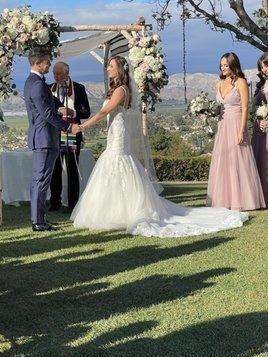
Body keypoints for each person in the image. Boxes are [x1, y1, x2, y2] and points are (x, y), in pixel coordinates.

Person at [70, 56, 249, 238]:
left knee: (118, 162)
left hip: (118, 133)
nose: (108, 68)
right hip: (113, 132)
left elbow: (104, 111)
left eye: (111, 66)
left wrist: (83, 126)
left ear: (120, 70)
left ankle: (123, 212)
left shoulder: (122, 90)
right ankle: (113, 210)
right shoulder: (115, 88)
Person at [23, 48, 78, 232]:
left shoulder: (34, 81)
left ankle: (38, 218)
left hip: (42, 138)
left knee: (39, 181)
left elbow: (49, 103)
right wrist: (69, 127)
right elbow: (46, 114)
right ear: (38, 63)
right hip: (45, 138)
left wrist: (61, 107)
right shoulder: (37, 84)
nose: (49, 64)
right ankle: (38, 222)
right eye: (47, 62)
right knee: (41, 181)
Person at [206, 52, 265, 211]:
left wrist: (241, 131)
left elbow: (245, 108)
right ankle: (224, 200)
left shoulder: (241, 82)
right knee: (223, 161)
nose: (223, 68)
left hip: (236, 124)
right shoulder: (219, 84)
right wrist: (208, 112)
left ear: (233, 65)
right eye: (221, 65)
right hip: (223, 125)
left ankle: (244, 200)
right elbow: (219, 107)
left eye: (226, 65)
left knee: (238, 161)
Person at [49, 61, 91, 211]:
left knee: (72, 167)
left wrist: (72, 112)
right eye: (54, 73)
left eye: (59, 73)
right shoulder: (49, 89)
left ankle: (73, 204)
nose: (56, 76)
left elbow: (87, 112)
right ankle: (55, 202)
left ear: (67, 73)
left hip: (72, 132)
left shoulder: (78, 88)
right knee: (55, 168)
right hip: (55, 133)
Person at [251, 53, 268, 207]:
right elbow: (255, 108)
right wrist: (260, 119)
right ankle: (260, 198)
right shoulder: (260, 86)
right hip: (259, 130)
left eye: (266, 65)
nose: (264, 69)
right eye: (262, 67)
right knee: (259, 162)